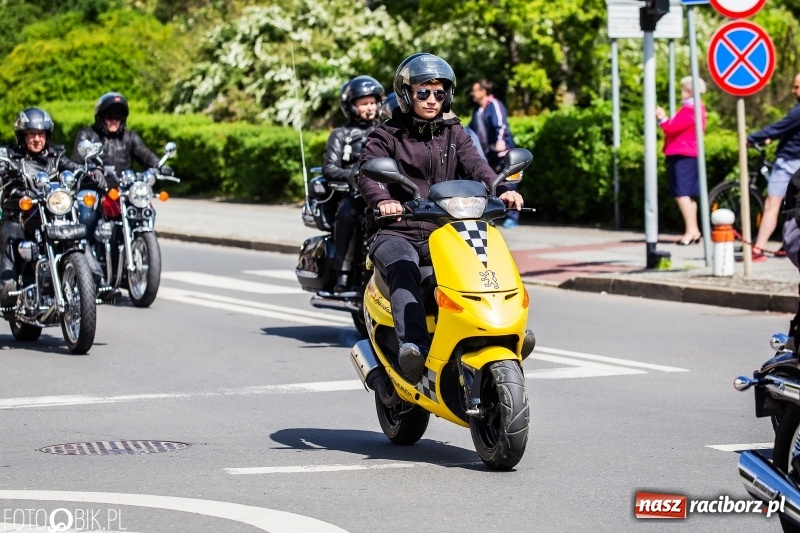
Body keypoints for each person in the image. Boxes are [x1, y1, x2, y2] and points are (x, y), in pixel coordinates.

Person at [360, 53, 524, 384]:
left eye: (439, 92)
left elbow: (478, 165)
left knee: (486, 260)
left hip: (446, 227)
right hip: (398, 230)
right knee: (404, 266)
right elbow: (369, 174)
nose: (432, 100)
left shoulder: (454, 131)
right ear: (407, 94)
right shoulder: (386, 135)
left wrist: (502, 188)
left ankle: (504, 327)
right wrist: (385, 200)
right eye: (423, 92)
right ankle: (414, 349)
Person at [0, 108, 105, 305]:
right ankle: (7, 289)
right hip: (18, 217)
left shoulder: (56, 157)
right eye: (31, 134)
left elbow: (74, 170)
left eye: (41, 134)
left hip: (50, 214)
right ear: (22, 136)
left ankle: (95, 278)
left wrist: (91, 174)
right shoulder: (11, 157)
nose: (37, 139)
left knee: (76, 232)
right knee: (10, 237)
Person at [71, 92, 172, 291]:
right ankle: (83, 260)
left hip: (123, 190)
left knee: (147, 208)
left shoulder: (129, 137)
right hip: (96, 188)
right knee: (87, 217)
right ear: (101, 117)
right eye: (110, 116)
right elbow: (76, 159)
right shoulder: (89, 135)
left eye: (118, 117)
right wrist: (90, 169)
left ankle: (133, 255)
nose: (114, 121)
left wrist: (159, 166)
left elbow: (145, 155)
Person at [322, 76, 383, 293]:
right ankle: (343, 273)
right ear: (351, 106)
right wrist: (353, 176)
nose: (370, 108)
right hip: (355, 193)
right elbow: (329, 168)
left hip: (385, 191)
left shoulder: (386, 130)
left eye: (372, 103)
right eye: (364, 103)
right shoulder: (341, 134)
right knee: (347, 212)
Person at [747, 74, 800, 262]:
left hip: (788, 163)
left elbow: (779, 127)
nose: (793, 91)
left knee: (772, 205)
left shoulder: (798, 111)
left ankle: (758, 249)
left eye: (796, 87)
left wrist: (752, 138)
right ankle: (788, 245)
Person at [656, 76, 707, 246]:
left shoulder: (690, 110)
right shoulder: (697, 108)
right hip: (689, 153)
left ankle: (690, 230)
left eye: (682, 89)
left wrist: (662, 118)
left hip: (683, 153)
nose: (680, 92)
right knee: (689, 195)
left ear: (690, 91)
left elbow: (671, 128)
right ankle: (694, 230)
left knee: (682, 194)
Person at [469, 79, 519, 228]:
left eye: (475, 90)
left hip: (502, 151)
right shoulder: (478, 110)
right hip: (488, 152)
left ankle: (512, 217)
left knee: (509, 184)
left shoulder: (494, 105)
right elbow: (471, 130)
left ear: (483, 91)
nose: (473, 93)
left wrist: (500, 141)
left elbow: (501, 125)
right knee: (488, 183)